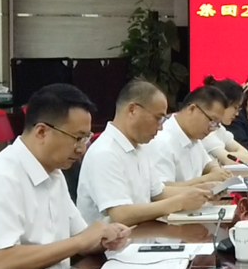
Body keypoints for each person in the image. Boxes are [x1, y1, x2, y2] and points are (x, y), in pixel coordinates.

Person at [0, 84, 131, 269]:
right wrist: (80, 242)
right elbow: (0, 264)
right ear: (41, 132)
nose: (81, 149)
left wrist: (106, 237)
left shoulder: (54, 173)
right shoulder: (0, 178)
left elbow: (82, 240)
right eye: (77, 138)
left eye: (86, 138)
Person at [76, 79, 212, 226]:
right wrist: (178, 202)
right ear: (132, 110)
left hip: (141, 234)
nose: (160, 127)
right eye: (158, 118)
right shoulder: (104, 153)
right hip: (114, 240)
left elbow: (158, 193)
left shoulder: (140, 148)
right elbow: (121, 215)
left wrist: (201, 191)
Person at [147, 86, 232, 186]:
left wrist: (217, 171)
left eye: (216, 124)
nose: (212, 128)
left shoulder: (194, 137)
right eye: (212, 121)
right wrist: (207, 179)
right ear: (192, 109)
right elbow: (163, 189)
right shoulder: (162, 141)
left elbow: (208, 164)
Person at [202, 75, 248, 164]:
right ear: (221, 104)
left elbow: (244, 151)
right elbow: (227, 159)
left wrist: (230, 155)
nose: (237, 113)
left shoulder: (220, 128)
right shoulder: (205, 130)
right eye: (235, 107)